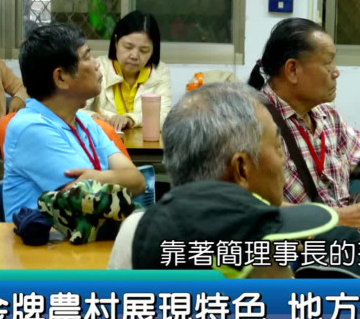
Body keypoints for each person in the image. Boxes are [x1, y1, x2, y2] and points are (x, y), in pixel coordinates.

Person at [109, 82, 338, 278]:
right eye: (278, 147)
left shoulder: (135, 230)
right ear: (241, 169)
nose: (283, 160)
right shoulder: (261, 247)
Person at [247, 18, 360, 234]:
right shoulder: (254, 123)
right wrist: (341, 218)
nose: (336, 72)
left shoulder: (326, 115)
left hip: (342, 243)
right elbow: (253, 210)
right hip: (297, 249)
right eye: (327, 63)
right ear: (292, 70)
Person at [3, 23, 145, 221]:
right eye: (87, 57)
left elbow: (138, 181)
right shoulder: (31, 128)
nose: (97, 64)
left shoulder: (84, 121)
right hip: (45, 240)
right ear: (61, 77)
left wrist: (97, 177)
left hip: (89, 234)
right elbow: (88, 197)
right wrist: (109, 179)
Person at [86, 10, 171, 132]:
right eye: (128, 47)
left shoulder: (160, 72)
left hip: (142, 142)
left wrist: (131, 119)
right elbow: (74, 110)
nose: (134, 56)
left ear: (153, 49)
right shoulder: (98, 68)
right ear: (116, 42)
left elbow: (164, 117)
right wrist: (98, 117)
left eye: (144, 50)